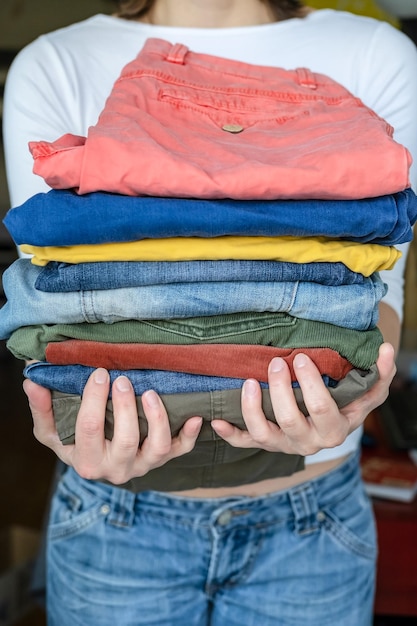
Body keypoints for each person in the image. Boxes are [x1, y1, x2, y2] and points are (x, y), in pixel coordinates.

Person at [2, 1, 417, 624]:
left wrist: (365, 386)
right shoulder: (54, 63)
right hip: (117, 521)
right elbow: (55, 296)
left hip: (312, 522)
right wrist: (62, 424)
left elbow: (380, 290)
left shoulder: (378, 52)